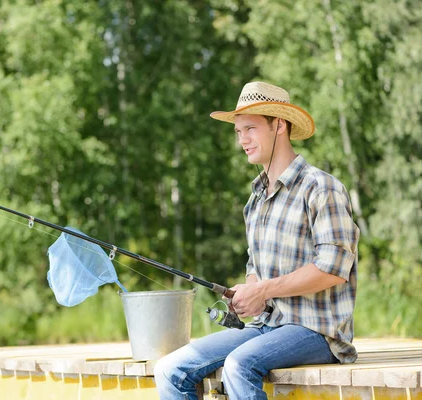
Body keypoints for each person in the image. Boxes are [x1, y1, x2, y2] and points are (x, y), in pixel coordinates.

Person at [153, 81, 360, 400]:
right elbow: (256, 268)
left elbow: (332, 269)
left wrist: (263, 289)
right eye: (238, 132)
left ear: (279, 125)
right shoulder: (255, 200)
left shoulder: (321, 188)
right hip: (266, 326)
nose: (242, 140)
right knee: (170, 369)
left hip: (318, 333)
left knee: (238, 366)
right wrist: (250, 292)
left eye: (249, 128)